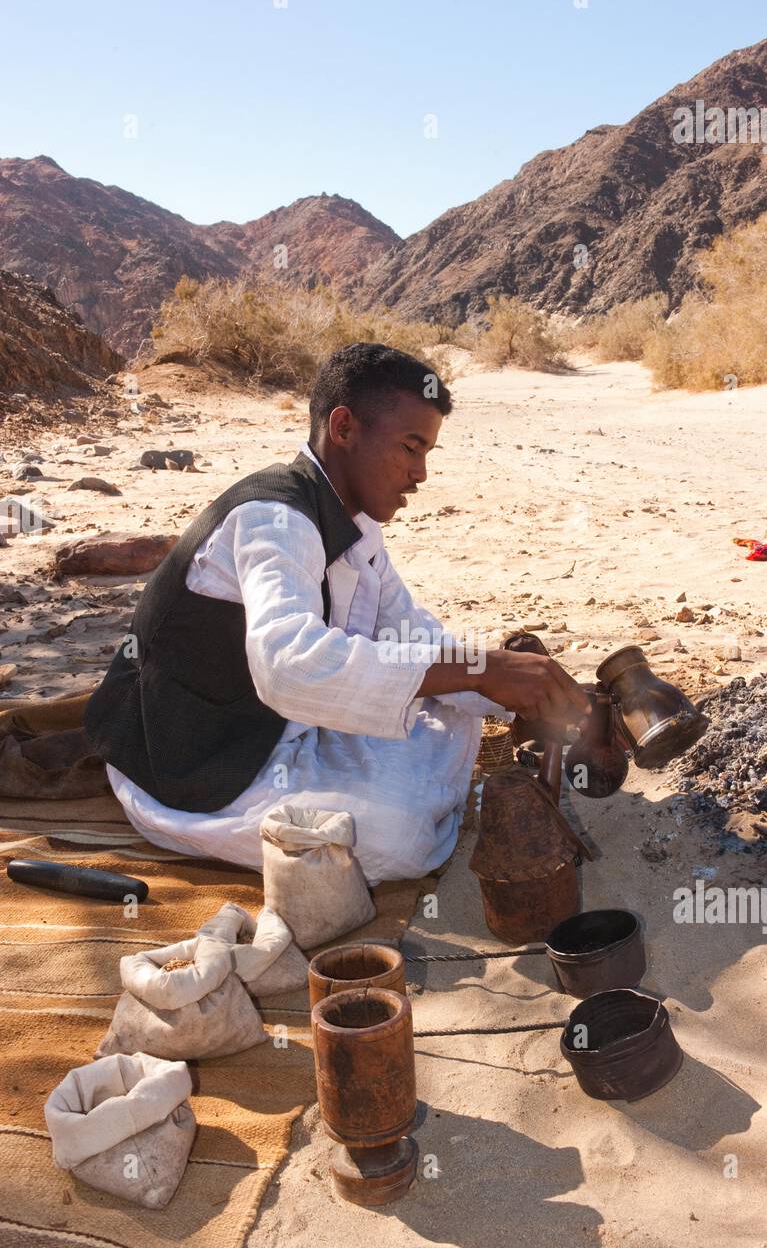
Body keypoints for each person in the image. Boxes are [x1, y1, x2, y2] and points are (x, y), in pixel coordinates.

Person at [85, 343, 590, 883]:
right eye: (409, 448)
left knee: (458, 708)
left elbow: (410, 634)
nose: (420, 474)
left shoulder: (358, 530)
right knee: (400, 838)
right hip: (196, 763)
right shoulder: (273, 519)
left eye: (427, 454)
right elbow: (289, 666)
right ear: (344, 427)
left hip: (284, 728)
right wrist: (482, 672)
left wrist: (510, 687)